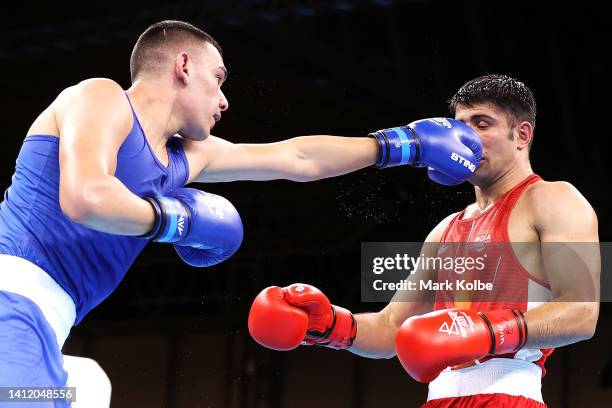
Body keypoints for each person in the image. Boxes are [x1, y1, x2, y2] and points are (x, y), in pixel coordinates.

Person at [0, 19, 482, 406]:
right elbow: (86, 197)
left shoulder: (188, 157)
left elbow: (296, 158)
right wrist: (175, 220)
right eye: (218, 79)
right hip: (9, 301)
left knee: (86, 388)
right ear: (183, 65)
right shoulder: (101, 98)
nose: (225, 100)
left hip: (47, 325)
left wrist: (399, 145)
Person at [248, 74, 600, 407]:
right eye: (461, 126)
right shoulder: (445, 229)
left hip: (508, 396)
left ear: (522, 135)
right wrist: (330, 325)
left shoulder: (555, 199)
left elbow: (583, 312)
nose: (468, 138)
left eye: (482, 124)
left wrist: (488, 331)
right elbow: (392, 329)